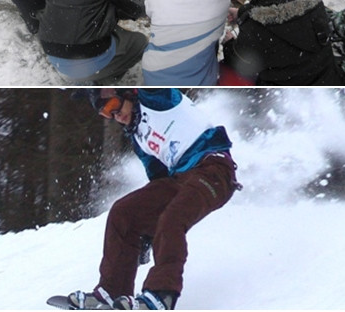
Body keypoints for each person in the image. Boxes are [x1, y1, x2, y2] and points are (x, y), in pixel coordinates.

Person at [67, 88, 238, 310]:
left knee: (172, 217)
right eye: (106, 114)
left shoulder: (158, 99)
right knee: (124, 212)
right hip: (179, 178)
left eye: (112, 107)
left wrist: (101, 82)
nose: (115, 116)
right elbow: (158, 180)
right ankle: (112, 292)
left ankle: (161, 295)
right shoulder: (138, 137)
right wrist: (146, 230)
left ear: (129, 93)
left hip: (213, 169)